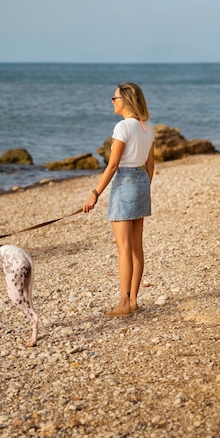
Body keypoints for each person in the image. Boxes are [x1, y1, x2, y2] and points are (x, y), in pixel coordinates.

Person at [83, 82, 155, 317]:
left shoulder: (122, 127)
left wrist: (95, 193)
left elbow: (113, 165)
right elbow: (151, 164)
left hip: (124, 183)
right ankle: (133, 300)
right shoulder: (148, 127)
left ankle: (123, 304)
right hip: (142, 181)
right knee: (136, 246)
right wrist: (144, 187)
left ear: (126, 99)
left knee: (123, 248)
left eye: (114, 98)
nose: (112, 102)